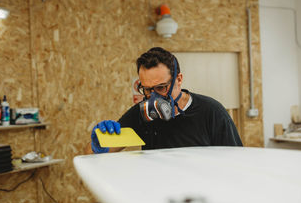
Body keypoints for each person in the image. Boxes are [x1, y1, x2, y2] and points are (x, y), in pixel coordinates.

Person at [87, 47, 242, 154]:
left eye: (161, 88)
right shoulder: (142, 114)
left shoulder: (211, 112)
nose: (154, 98)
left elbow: (237, 161)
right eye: (147, 89)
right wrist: (98, 145)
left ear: (179, 79)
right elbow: (91, 155)